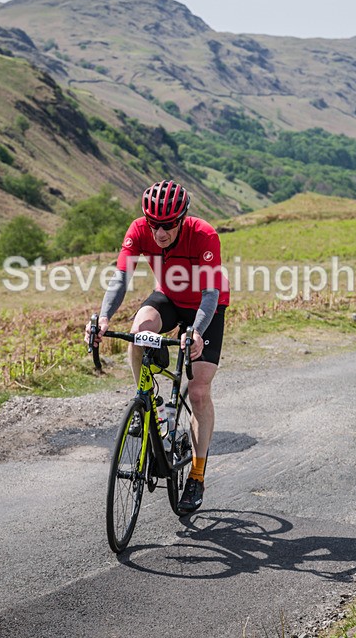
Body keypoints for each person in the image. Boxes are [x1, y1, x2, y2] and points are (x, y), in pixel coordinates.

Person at [85, 180, 229, 515]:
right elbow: (121, 278)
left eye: (167, 225)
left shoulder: (204, 235)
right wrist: (104, 318)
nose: (159, 232)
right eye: (153, 224)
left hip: (207, 307)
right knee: (138, 331)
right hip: (169, 297)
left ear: (182, 218)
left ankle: (196, 475)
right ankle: (147, 400)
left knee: (198, 391)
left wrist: (195, 332)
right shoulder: (138, 230)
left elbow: (209, 294)